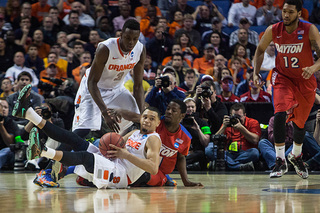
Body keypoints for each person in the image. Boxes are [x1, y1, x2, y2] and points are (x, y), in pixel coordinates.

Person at [13, 84, 162, 189]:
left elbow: (153, 168)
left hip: (121, 176)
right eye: (145, 117)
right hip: (111, 163)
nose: (147, 120)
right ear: (140, 118)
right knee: (75, 140)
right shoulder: (135, 133)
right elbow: (117, 142)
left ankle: (43, 152)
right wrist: (109, 145)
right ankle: (29, 114)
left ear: (158, 123)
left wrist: (125, 154)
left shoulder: (154, 139)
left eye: (151, 119)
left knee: (85, 156)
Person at [252, 0, 320, 179]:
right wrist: (255, 73)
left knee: (300, 123)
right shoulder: (273, 30)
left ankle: (295, 156)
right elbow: (259, 50)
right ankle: (280, 160)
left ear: (299, 13)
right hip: (283, 77)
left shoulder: (309, 30)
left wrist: (313, 68)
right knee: (280, 113)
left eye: (290, 12)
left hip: (305, 80)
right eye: (284, 11)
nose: (286, 15)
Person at [73, 19, 146, 136]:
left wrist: (142, 115)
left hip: (116, 89)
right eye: (127, 38)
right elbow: (92, 82)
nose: (131, 42)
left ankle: (118, 147)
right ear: (121, 35)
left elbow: (138, 86)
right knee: (83, 131)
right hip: (93, 88)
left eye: (135, 39)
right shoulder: (106, 48)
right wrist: (105, 113)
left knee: (139, 118)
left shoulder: (140, 50)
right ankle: (50, 154)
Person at [214, 103, 261, 171]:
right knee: (209, 149)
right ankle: (238, 166)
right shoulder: (227, 123)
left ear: (245, 115)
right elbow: (215, 141)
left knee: (255, 152)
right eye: (234, 116)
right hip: (228, 153)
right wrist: (224, 126)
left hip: (245, 153)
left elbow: (255, 140)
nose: (237, 119)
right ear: (230, 116)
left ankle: (229, 164)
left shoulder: (253, 122)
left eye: (239, 116)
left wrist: (241, 128)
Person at [182, 98, 211, 171]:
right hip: (182, 152)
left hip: (196, 153)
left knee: (200, 154)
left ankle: (181, 165)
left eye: (192, 107)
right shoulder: (178, 123)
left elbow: (206, 142)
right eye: (188, 107)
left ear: (195, 108)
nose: (190, 109)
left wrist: (198, 129)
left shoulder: (203, 123)